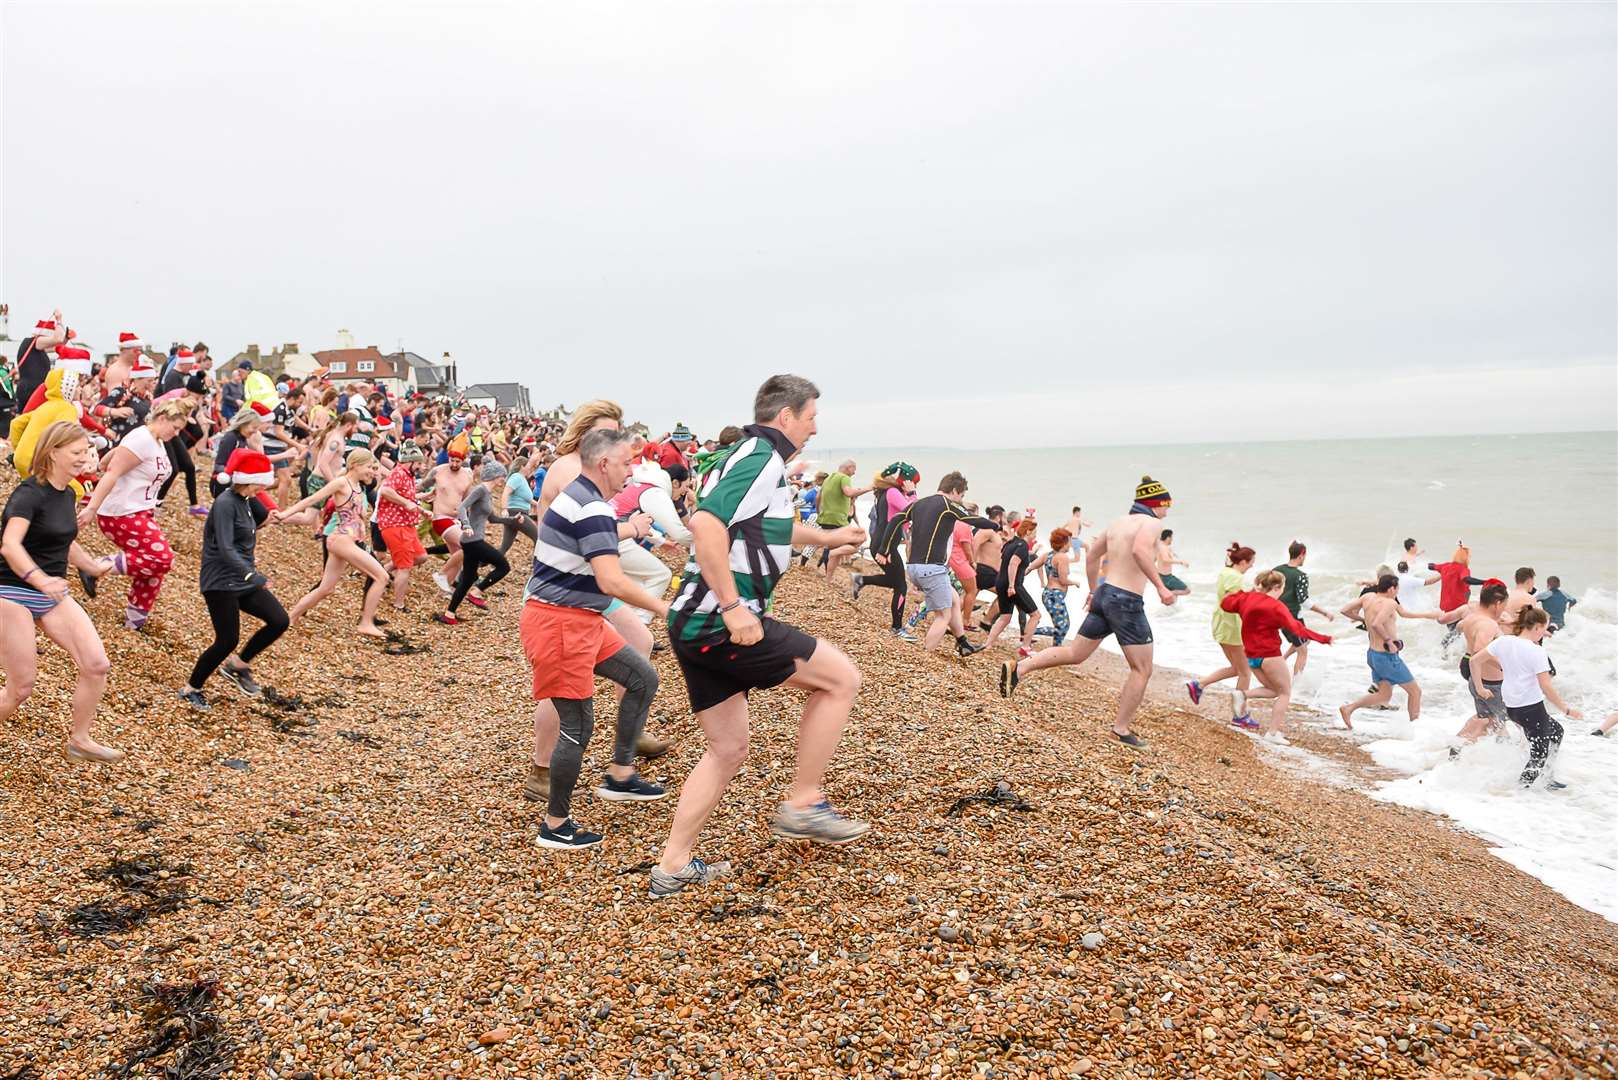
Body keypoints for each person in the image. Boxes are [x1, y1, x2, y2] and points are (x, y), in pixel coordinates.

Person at [653, 375, 869, 898]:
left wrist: (826, 536)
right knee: (841, 680)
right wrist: (732, 608)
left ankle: (672, 866)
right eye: (812, 417)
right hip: (718, 620)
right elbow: (707, 525)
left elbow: (761, 527)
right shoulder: (761, 457)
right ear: (786, 417)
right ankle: (803, 801)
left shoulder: (752, 458)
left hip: (691, 621)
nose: (816, 428)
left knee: (727, 748)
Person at [523, 427, 668, 851]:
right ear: (604, 464)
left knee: (642, 678)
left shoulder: (586, 501)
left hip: (580, 619)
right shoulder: (590, 507)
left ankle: (620, 774)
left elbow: (599, 546)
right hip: (559, 625)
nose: (632, 470)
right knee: (577, 725)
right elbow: (611, 579)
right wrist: (665, 609)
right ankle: (556, 825)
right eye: (627, 462)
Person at [1000, 476, 1177, 748]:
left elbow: (1093, 555)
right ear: (1156, 504)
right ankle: (1121, 728)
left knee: (1076, 653)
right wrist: (1161, 587)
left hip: (1106, 594)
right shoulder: (1152, 523)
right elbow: (1141, 551)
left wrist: (1095, 590)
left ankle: (1020, 668)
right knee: (1142, 668)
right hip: (1127, 600)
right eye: (1166, 504)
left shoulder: (1118, 523)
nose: (1168, 510)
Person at [0, 422, 121, 761]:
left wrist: (91, 566)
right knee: (20, 688)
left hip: (51, 594)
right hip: (10, 592)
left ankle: (80, 739)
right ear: (53, 452)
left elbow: (62, 541)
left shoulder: (67, 493)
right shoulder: (28, 494)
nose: (85, 458)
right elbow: (10, 545)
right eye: (77, 452)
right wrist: (40, 580)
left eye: (87, 451)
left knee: (96, 664)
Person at [178, 450, 288, 709]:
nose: (266, 485)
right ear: (249, 480)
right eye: (262, 482)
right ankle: (190, 688)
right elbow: (226, 548)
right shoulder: (226, 503)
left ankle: (238, 665)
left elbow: (267, 518)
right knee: (227, 639)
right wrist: (252, 574)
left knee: (279, 620)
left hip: (242, 578)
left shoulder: (248, 499)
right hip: (220, 580)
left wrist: (285, 514)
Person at [79, 398, 193, 631]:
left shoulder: (155, 439)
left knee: (154, 569)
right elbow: (111, 473)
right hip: (121, 512)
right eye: (175, 427)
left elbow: (111, 459)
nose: (177, 433)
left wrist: (105, 460)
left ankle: (134, 624)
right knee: (162, 558)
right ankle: (94, 566)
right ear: (162, 419)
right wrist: (91, 508)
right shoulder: (142, 439)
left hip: (140, 510)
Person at [274, 450, 390, 638]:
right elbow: (312, 499)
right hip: (341, 539)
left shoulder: (360, 486)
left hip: (346, 540)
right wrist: (284, 514)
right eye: (369, 467)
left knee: (326, 588)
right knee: (381, 577)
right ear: (355, 465)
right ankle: (366, 622)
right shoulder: (341, 483)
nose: (372, 471)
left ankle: (290, 617)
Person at [877, 471, 993, 656]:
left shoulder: (919, 504)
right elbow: (971, 519)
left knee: (954, 599)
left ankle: (963, 643)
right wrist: (996, 526)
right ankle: (925, 655)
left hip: (915, 567)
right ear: (954, 490)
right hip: (932, 570)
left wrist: (884, 549)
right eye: (961, 495)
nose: (961, 500)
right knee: (943, 616)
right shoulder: (948, 505)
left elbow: (896, 520)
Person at [1218, 569, 1333, 739]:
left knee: (1273, 690)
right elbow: (1296, 629)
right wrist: (1323, 638)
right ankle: (1273, 733)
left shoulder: (1246, 599)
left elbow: (1225, 603)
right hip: (1269, 654)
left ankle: (1242, 694)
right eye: (1283, 588)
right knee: (1285, 692)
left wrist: (1248, 592)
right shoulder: (1276, 606)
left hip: (1251, 655)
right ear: (1277, 587)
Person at [1336, 574, 1450, 729]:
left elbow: (1344, 610)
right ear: (1391, 588)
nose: (1397, 592)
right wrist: (1389, 641)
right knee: (1415, 692)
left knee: (1384, 695)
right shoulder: (1389, 603)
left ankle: (1349, 708)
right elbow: (1377, 623)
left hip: (1373, 654)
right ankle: (1415, 729)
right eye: (1397, 589)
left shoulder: (1368, 597)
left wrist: (1363, 620)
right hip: (1386, 656)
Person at [1484, 608, 1581, 787]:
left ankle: (1547, 778)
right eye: (1544, 628)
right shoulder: (1536, 651)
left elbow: (1478, 658)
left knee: (1557, 732)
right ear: (1537, 627)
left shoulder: (1505, 641)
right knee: (1538, 756)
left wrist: (1500, 670)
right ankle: (1520, 793)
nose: (1544, 633)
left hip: (1514, 708)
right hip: (1530, 709)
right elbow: (1546, 686)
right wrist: (1566, 709)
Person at [434, 461, 514, 626]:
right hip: (472, 540)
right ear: (495, 476)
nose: (503, 480)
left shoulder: (488, 493)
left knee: (468, 578)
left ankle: (449, 614)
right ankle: (477, 592)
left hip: (474, 540)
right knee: (503, 566)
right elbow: (462, 507)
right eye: (502, 476)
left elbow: (492, 518)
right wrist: (467, 525)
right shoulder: (480, 490)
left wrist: (513, 519)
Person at [1188, 542, 1257, 727]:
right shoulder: (1235, 577)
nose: (1252, 566)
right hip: (1232, 627)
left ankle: (1199, 684)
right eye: (1251, 562)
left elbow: (1231, 598)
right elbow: (1233, 602)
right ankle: (1239, 715)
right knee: (1245, 672)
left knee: (1236, 668)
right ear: (1243, 561)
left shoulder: (1225, 573)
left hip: (1221, 624)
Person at [850, 463, 919, 639]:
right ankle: (897, 628)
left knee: (895, 581)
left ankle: (861, 580)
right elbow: (912, 512)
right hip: (885, 547)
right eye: (913, 482)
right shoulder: (893, 493)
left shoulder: (885, 493)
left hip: (882, 545)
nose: (914, 486)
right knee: (901, 586)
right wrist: (911, 494)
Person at [1454, 582, 1511, 744]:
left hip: (1478, 680)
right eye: (1504, 605)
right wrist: (1505, 665)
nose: (1504, 610)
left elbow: (1460, 628)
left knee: (1488, 723)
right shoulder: (1488, 624)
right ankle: (1514, 757)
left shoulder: (1471, 618)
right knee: (1511, 722)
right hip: (1492, 685)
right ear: (1497, 603)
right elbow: (1479, 650)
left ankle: (1459, 749)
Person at [376, 446, 430, 611]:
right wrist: (406, 503)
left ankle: (382, 571)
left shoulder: (409, 476)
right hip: (395, 525)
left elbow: (409, 499)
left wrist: (422, 511)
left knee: (420, 556)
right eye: (419, 464)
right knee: (404, 567)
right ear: (410, 462)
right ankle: (398, 604)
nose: (422, 467)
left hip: (407, 525)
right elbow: (385, 490)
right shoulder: (398, 473)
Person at [1273, 542, 1336, 674]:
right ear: (1301, 555)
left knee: (1304, 641)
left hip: (1277, 614)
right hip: (1292, 617)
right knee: (1303, 651)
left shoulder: (1276, 570)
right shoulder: (1300, 576)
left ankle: (1282, 660)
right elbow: (1304, 601)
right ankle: (1296, 685)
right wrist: (1325, 613)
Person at [983, 518, 1041, 653]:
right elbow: (1013, 563)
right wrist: (1011, 586)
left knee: (1005, 617)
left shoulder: (1011, 543)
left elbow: (1007, 562)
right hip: (1013, 585)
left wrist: (1024, 571)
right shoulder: (1023, 546)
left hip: (1000, 582)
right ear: (1028, 532)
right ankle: (1025, 647)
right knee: (1035, 615)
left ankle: (988, 644)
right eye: (1034, 532)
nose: (1036, 535)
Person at [815, 459, 870, 580]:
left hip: (825, 518)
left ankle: (828, 578)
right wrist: (868, 488)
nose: (854, 472)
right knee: (858, 540)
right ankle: (829, 563)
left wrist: (819, 512)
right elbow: (849, 492)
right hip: (838, 520)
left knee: (835, 550)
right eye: (854, 469)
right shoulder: (844, 477)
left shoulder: (828, 479)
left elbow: (818, 497)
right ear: (848, 467)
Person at [1429, 544, 1486, 647]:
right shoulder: (1463, 569)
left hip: (1446, 606)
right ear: (1466, 558)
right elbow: (1466, 579)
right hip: (1458, 606)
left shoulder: (1445, 566)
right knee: (1458, 631)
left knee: (1454, 630)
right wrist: (1485, 582)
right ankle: (1444, 647)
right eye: (1469, 557)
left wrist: (1429, 565)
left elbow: (1431, 566)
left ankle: (1446, 651)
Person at [497, 455, 541, 555]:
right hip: (517, 514)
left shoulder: (522, 479)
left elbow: (527, 499)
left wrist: (539, 505)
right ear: (522, 466)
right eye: (528, 465)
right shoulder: (516, 477)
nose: (530, 468)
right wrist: (504, 509)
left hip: (516, 513)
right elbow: (505, 493)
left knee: (504, 547)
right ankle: (538, 566)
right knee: (538, 537)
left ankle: (479, 563)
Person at [1155, 529, 1191, 596]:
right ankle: (1167, 594)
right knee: (1187, 591)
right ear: (1168, 538)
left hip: (1163, 576)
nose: (1172, 539)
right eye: (1171, 537)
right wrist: (1181, 562)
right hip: (1166, 578)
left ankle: (1169, 599)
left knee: (1174, 596)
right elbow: (1165, 560)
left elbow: (1167, 553)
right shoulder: (1163, 548)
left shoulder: (1162, 546)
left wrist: (1174, 554)